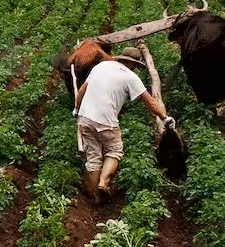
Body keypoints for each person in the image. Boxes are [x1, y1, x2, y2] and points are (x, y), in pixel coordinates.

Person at [73, 43, 175, 205]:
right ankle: (103, 183)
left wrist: (77, 109)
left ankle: (96, 198)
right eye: (135, 65)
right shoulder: (130, 77)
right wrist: (164, 117)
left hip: (85, 118)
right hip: (106, 122)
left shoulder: (100, 67)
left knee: (93, 157)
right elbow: (149, 101)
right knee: (114, 151)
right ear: (131, 63)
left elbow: (81, 91)